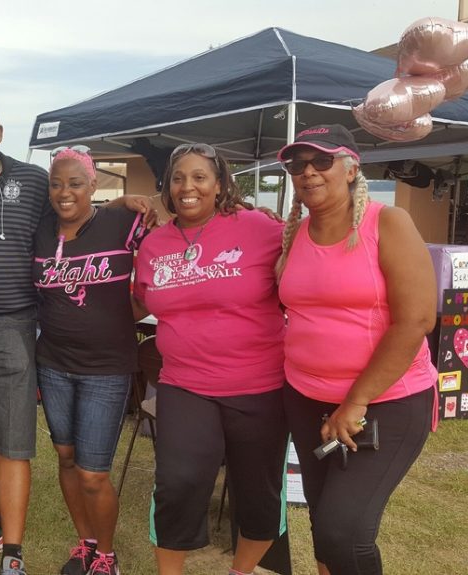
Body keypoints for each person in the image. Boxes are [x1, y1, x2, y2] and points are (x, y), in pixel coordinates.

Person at [0, 94, 155, 575]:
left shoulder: (30, 180)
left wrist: (128, 204)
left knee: (16, 442)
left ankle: (17, 551)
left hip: (18, 327)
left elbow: (83, 206)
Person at [275, 124, 437, 575]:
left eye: (321, 161)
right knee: (325, 523)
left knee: (345, 529)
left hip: (386, 402)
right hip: (306, 398)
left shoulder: (388, 223)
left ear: (350, 168)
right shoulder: (294, 234)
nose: (308, 172)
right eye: (297, 164)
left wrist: (356, 401)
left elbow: (417, 320)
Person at [132, 143, 288, 575]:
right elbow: (139, 301)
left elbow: (305, 270)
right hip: (186, 386)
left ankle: (242, 572)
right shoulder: (154, 245)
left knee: (258, 493)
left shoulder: (261, 228)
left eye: (200, 177)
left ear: (219, 184)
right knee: (177, 484)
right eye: (178, 178)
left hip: (261, 387)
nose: (188, 187)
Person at [33, 147, 152, 575]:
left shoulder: (123, 222)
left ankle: (106, 555)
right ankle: (84, 542)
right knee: (66, 458)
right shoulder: (40, 230)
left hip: (106, 368)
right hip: (53, 362)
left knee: (92, 473)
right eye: (57, 183)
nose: (65, 192)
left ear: (93, 186)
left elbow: (169, 252)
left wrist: (140, 303)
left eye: (75, 183)